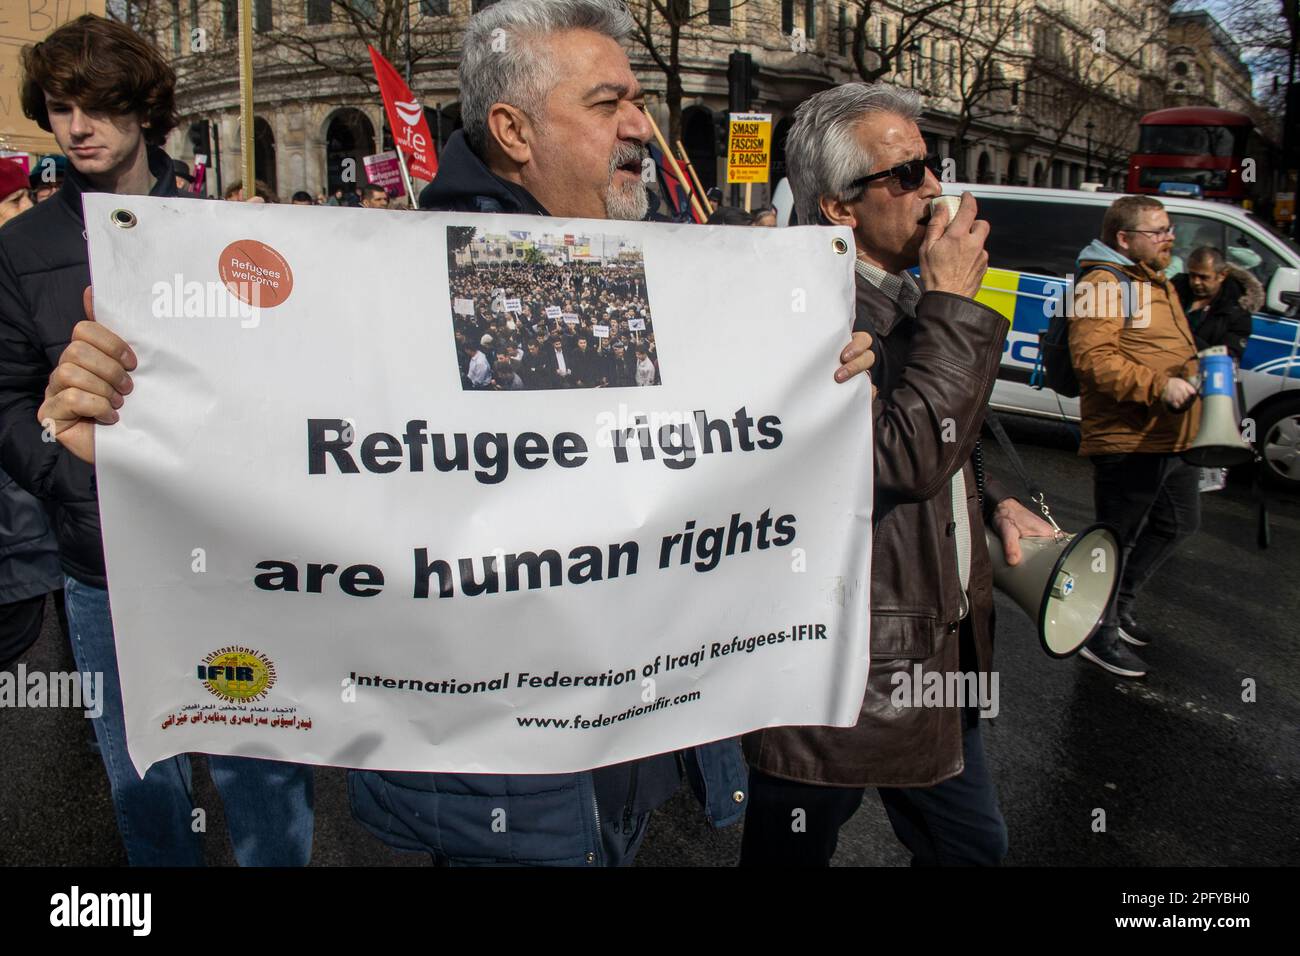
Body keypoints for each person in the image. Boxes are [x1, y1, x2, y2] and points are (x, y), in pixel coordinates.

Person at [40, 0, 874, 868]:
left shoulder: (653, 267)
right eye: (607, 103)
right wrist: (141, 434)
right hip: (504, 795)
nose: (642, 125)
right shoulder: (414, 281)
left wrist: (817, 375)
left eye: (636, 100)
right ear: (513, 129)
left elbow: (674, 458)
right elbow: (305, 456)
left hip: (625, 769)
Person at [0, 13, 313, 866]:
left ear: (144, 107)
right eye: (60, 107)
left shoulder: (221, 229)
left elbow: (285, 386)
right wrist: (64, 460)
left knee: (261, 767)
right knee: (143, 776)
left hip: (231, 554)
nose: (76, 127)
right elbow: (10, 399)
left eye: (97, 104)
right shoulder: (21, 249)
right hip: (102, 564)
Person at [740, 82, 1054, 867]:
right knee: (794, 844)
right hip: (842, 662)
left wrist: (1000, 499)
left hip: (936, 657)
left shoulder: (910, 296)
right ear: (840, 208)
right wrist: (954, 303)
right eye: (905, 176)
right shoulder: (804, 313)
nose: (934, 191)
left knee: (971, 849)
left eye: (931, 165)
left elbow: (955, 433)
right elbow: (901, 458)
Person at [1069, 195, 1202, 677]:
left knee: (1178, 522)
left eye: (1169, 229)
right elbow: (1094, 361)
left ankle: (1118, 606)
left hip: (1170, 433)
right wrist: (1159, 385)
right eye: (1159, 231)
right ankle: (1096, 633)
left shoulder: (1151, 276)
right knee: (1115, 541)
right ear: (1125, 239)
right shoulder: (1105, 282)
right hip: (1129, 437)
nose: (1170, 239)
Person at [1171, 245, 1258, 363]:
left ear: (1222, 275)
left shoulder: (1237, 312)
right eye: (1192, 275)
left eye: (1203, 277)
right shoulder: (1174, 288)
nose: (1196, 282)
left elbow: (1227, 358)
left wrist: (1183, 336)